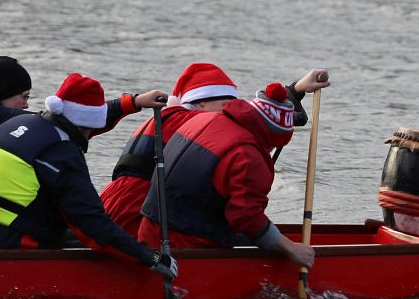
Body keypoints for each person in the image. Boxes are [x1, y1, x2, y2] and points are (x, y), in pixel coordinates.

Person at [0, 73, 176, 282]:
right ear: (85, 124)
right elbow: (92, 223)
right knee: (98, 239)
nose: (92, 134)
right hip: (6, 246)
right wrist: (149, 257)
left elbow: (83, 118)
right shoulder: (61, 153)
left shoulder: (21, 123)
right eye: (92, 129)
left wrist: (134, 102)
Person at [0, 56, 164, 220]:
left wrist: (133, 102)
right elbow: (66, 124)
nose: (26, 105)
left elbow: (66, 124)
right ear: (5, 93)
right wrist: (131, 103)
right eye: (24, 96)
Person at [100, 62, 330, 234]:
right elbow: (255, 117)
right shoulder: (186, 122)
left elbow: (255, 115)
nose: (232, 111)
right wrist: (291, 96)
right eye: (226, 105)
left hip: (113, 209)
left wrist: (296, 89)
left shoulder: (174, 119)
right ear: (201, 102)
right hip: (131, 218)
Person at [138, 82, 316, 269]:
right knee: (265, 243)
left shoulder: (205, 119)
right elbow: (246, 218)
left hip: (148, 232)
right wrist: (291, 248)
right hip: (185, 245)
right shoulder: (249, 154)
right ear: (273, 136)